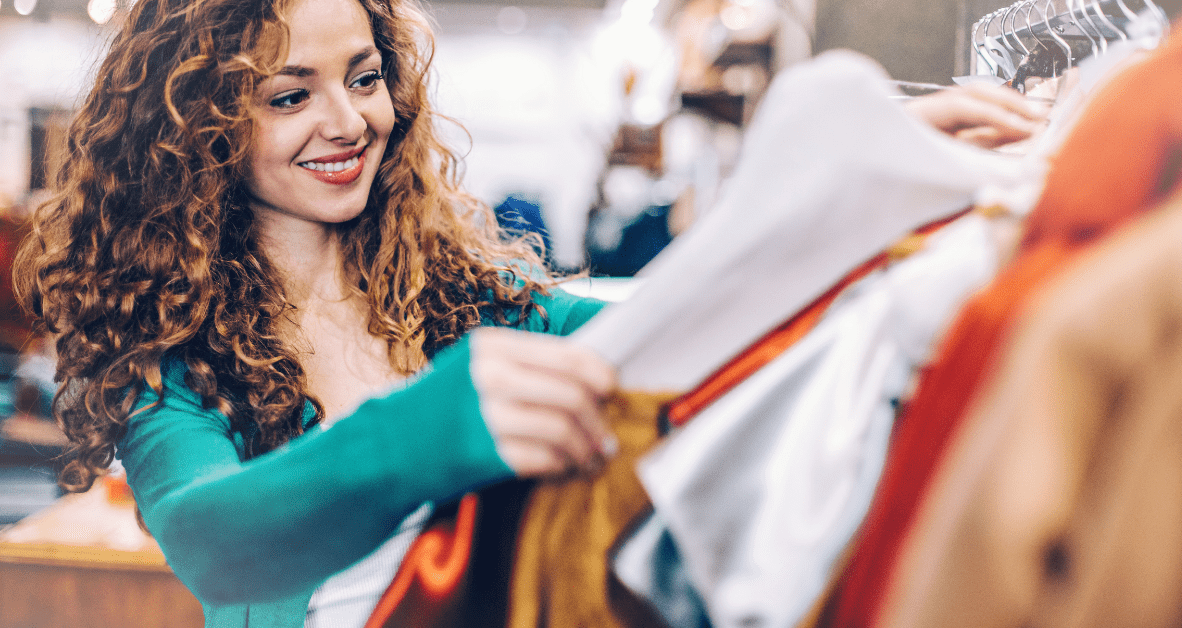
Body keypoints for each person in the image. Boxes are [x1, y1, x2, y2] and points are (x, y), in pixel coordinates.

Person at [11, 0, 1047, 625]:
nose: (348, 122)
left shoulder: (468, 298)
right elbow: (213, 536)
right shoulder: (172, 360)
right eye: (290, 96)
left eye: (365, 79)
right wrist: (436, 426)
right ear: (200, 124)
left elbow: (686, 323)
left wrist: (843, 192)